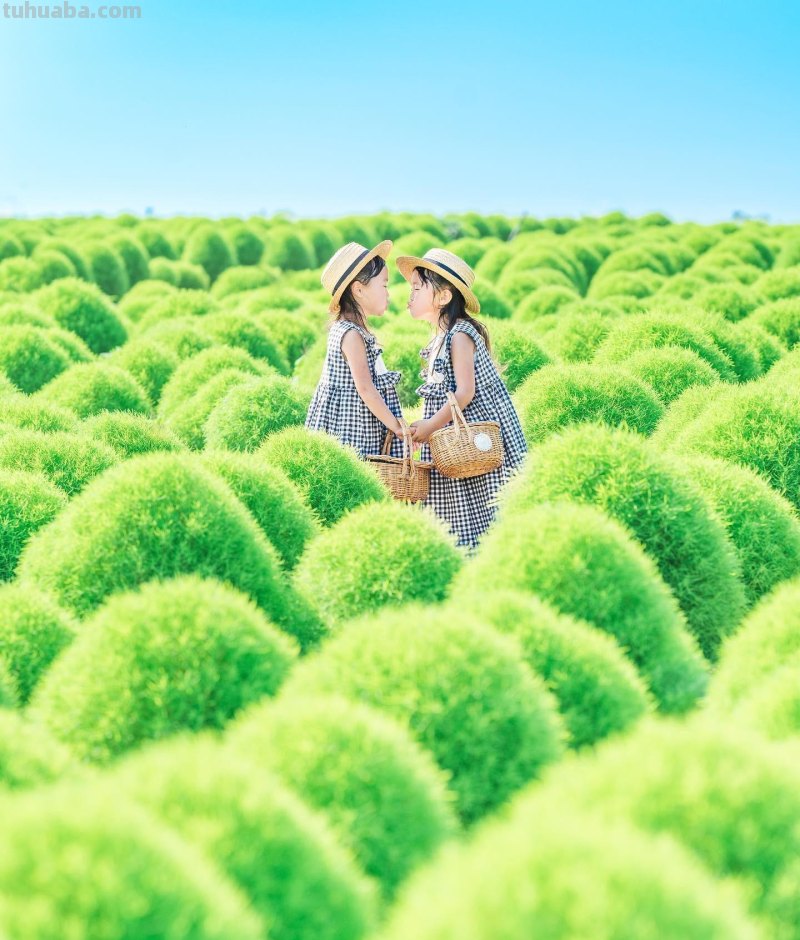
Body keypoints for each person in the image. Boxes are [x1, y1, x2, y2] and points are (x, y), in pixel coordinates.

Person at [397, 248, 528, 548]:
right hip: (455, 440)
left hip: (475, 437)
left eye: (418, 288)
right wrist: (428, 425)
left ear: (443, 298)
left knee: (486, 501)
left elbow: (464, 393)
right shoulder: (441, 338)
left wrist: (430, 426)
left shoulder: (460, 334)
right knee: (460, 501)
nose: (410, 295)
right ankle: (467, 553)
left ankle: (484, 554)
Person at [306, 240, 408, 457]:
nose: (388, 294)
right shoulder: (351, 334)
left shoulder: (354, 331)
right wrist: (397, 427)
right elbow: (366, 389)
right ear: (359, 290)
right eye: (384, 285)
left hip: (359, 423)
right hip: (351, 429)